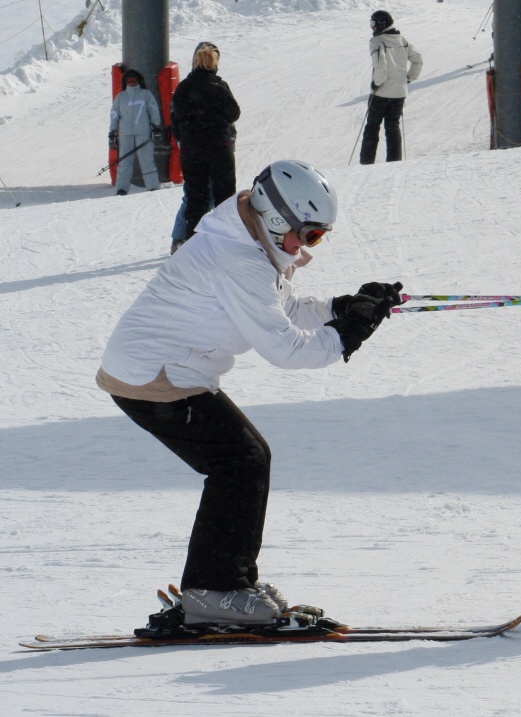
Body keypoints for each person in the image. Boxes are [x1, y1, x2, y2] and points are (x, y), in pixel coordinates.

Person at [96, 159, 406, 626]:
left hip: (163, 371)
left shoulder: (245, 242)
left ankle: (227, 581)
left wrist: (345, 307)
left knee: (245, 458)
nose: (307, 246)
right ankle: (215, 590)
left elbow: (283, 310)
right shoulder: (238, 258)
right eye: (310, 234)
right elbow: (286, 350)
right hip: (153, 376)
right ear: (279, 219)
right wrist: (348, 334)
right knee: (240, 461)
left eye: (317, 237)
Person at [170, 41, 240, 247]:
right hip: (219, 146)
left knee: (195, 197)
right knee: (224, 196)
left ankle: (192, 243)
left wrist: (186, 136)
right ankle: (225, 241)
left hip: (192, 149)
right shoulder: (219, 86)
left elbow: (175, 118)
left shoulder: (184, 87)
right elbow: (234, 112)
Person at [359, 10, 423, 165]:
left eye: (373, 24)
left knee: (372, 128)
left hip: (381, 93)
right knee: (393, 128)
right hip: (399, 94)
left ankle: (366, 164)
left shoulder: (377, 41)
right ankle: (394, 163)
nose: (372, 28)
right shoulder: (402, 40)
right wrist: (408, 78)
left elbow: (380, 65)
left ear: (382, 24)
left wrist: (377, 83)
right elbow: (418, 60)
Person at [108, 69, 163, 196]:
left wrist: (155, 126)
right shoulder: (121, 97)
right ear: (125, 82)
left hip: (143, 133)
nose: (131, 82)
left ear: (139, 81)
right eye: (129, 80)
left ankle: (152, 186)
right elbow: (114, 114)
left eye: (134, 80)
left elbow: (153, 110)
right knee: (124, 162)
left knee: (147, 160)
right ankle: (121, 188)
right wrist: (113, 132)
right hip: (125, 134)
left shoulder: (146, 94)